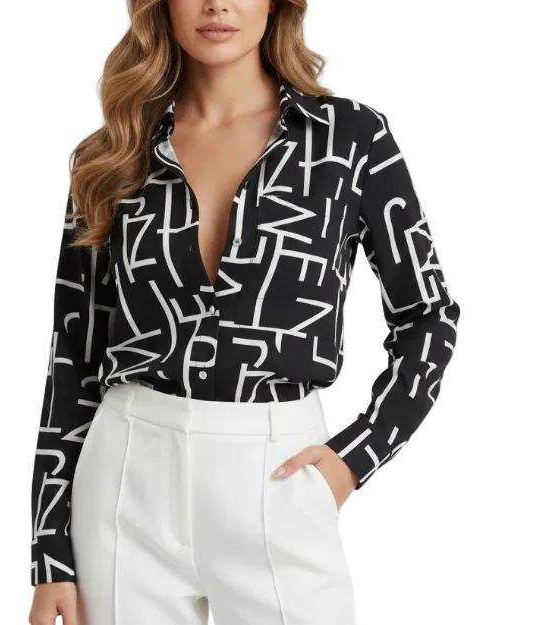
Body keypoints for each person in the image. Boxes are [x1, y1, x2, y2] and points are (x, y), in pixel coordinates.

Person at [28, 1, 461, 624]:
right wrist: (50, 552)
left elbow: (427, 314)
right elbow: (72, 355)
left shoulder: (348, 139)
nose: (217, 3)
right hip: (124, 478)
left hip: (277, 474)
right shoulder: (113, 152)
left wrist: (355, 459)